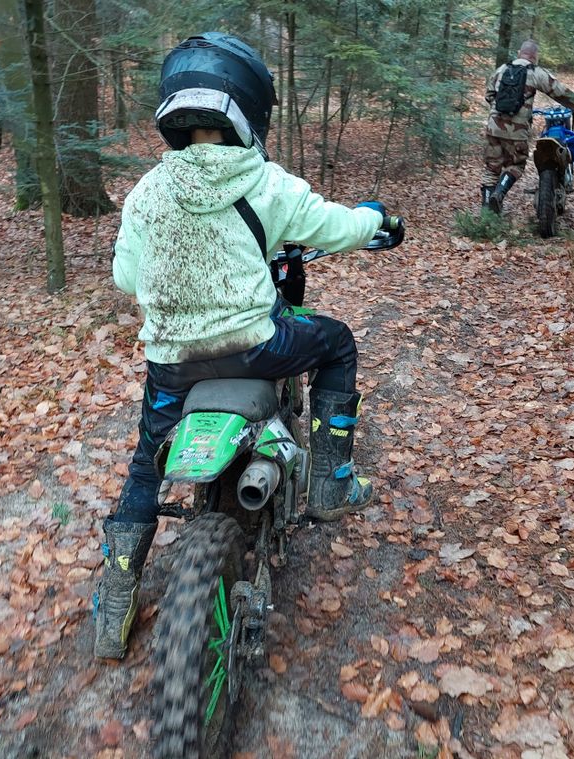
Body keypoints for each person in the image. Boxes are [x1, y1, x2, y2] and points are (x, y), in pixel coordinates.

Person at [93, 32, 389, 660]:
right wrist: (377, 220)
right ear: (250, 111)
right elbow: (336, 227)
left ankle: (115, 598)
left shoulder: (147, 191)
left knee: (146, 466)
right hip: (256, 348)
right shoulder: (266, 183)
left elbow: (126, 278)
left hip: (172, 364)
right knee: (336, 343)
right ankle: (333, 484)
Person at [481, 39, 574, 214]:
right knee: (516, 165)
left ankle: (487, 214)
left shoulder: (502, 69)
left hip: (493, 126)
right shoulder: (535, 72)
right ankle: (499, 193)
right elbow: (559, 92)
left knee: (492, 168)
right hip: (517, 129)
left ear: (519, 53)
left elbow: (489, 94)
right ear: (535, 56)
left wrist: (498, 110)